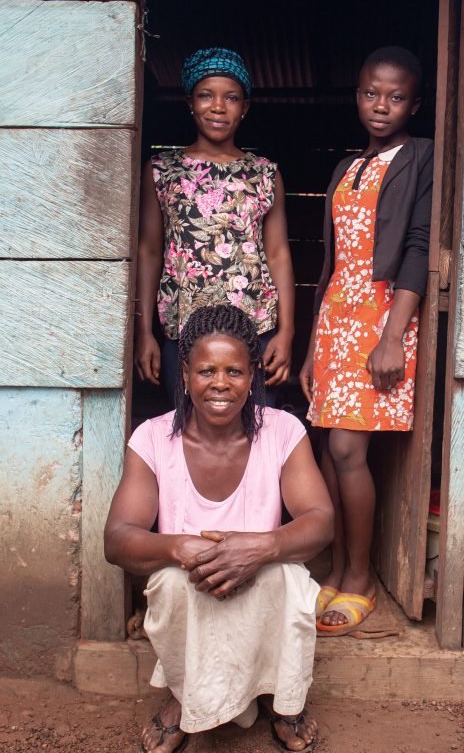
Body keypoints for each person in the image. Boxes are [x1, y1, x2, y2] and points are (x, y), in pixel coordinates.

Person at [105, 304, 332, 753]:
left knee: (289, 576)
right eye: (207, 370)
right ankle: (184, 697)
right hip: (192, 584)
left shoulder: (283, 432)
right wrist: (182, 549)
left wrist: (261, 548)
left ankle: (282, 700)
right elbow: (117, 538)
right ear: (185, 374)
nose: (221, 384)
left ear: (253, 377)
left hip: (259, 579)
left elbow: (321, 520)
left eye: (235, 371)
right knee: (169, 582)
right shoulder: (152, 439)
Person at [299, 46, 432, 635]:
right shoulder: (345, 169)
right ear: (356, 96)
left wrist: (392, 337)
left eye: (396, 96)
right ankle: (334, 568)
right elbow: (330, 264)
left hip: (382, 316)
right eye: (371, 93)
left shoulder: (421, 157)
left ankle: (361, 580)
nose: (382, 106)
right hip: (336, 316)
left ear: (415, 104)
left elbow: (419, 248)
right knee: (330, 449)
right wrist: (309, 349)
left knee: (350, 451)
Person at [134, 47, 296, 404]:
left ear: (245, 107)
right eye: (206, 95)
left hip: (256, 329)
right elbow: (148, 251)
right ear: (190, 102)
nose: (218, 107)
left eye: (231, 98)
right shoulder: (163, 171)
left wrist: (286, 332)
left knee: (254, 430)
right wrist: (143, 332)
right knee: (191, 429)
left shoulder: (264, 174)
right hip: (184, 329)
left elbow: (279, 253)